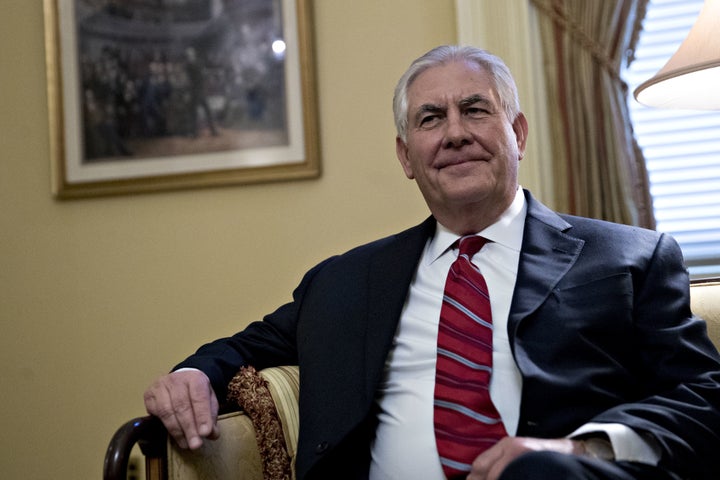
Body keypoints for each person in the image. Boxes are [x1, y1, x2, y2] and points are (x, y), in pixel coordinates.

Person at [144, 45, 720, 480]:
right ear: (407, 157)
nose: (455, 134)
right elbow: (244, 349)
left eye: (475, 110)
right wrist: (193, 375)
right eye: (429, 119)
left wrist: (579, 450)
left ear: (518, 134)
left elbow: (704, 397)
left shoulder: (630, 258)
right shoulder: (345, 281)